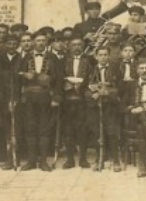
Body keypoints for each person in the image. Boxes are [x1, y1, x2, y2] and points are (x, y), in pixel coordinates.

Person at [18, 30, 64, 172]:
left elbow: (60, 78)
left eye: (43, 40)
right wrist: (24, 75)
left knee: (45, 129)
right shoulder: (25, 57)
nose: (40, 43)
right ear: (33, 42)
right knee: (30, 128)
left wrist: (57, 97)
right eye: (38, 40)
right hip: (29, 98)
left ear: (47, 42)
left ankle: (43, 161)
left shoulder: (53, 57)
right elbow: (18, 76)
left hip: (46, 97)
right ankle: (31, 161)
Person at [85, 46, 122, 172]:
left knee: (112, 132)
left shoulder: (115, 70)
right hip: (96, 105)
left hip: (111, 105)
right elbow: (86, 87)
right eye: (100, 55)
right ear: (96, 56)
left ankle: (116, 160)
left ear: (109, 56)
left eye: (105, 55)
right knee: (97, 132)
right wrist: (93, 94)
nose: (103, 57)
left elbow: (121, 88)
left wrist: (108, 93)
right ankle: (99, 158)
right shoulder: (91, 70)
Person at [61, 36, 93, 169]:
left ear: (83, 46)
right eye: (74, 45)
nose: (77, 47)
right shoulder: (63, 61)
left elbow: (92, 77)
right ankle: (69, 159)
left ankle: (83, 159)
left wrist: (82, 86)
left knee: (82, 129)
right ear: (69, 47)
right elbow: (58, 76)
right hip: (67, 100)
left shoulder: (90, 60)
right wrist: (65, 84)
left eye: (79, 44)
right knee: (68, 129)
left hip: (83, 99)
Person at [0, 35, 21, 169]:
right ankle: (5, 156)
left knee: (15, 129)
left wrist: (15, 99)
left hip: (16, 98)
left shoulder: (21, 58)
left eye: (14, 44)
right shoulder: (1, 58)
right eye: (9, 43)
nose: (12, 46)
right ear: (5, 45)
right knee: (4, 128)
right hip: (2, 97)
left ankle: (14, 158)